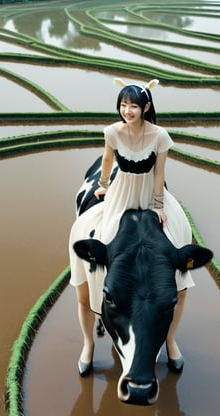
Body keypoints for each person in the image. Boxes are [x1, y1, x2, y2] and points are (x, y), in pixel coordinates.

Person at [68, 78, 195, 377]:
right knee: (105, 243)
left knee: (178, 241)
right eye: (123, 105)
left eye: (133, 106)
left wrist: (160, 206)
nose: (127, 111)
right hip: (121, 194)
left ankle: (171, 339)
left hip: (149, 195)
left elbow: (160, 173)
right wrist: (102, 188)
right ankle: (89, 342)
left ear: (146, 107)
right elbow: (108, 162)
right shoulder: (112, 132)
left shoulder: (160, 136)